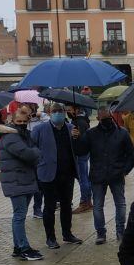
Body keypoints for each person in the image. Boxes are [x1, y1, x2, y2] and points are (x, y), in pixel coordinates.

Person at [76, 105, 134, 244]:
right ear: (97, 119)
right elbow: (81, 152)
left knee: (120, 204)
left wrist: (124, 171)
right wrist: (76, 139)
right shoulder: (91, 134)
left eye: (108, 118)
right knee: (97, 205)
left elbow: (131, 155)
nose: (106, 121)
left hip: (116, 175)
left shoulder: (122, 133)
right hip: (98, 176)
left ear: (112, 117)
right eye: (103, 119)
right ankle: (100, 233)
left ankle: (120, 232)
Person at [0, 106, 44, 260]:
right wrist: (37, 152)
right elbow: (28, 154)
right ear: (12, 120)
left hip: (24, 179)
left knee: (19, 215)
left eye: (23, 121)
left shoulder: (23, 135)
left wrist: (35, 151)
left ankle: (18, 246)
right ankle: (23, 247)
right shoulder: (11, 137)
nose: (21, 123)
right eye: (18, 121)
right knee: (19, 216)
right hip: (17, 181)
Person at [30, 102, 84, 249]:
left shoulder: (71, 128)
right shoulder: (40, 129)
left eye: (61, 111)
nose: (58, 113)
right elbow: (31, 147)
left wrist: (77, 138)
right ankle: (51, 238)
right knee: (49, 207)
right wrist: (40, 160)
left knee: (67, 205)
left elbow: (80, 150)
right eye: (55, 111)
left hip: (67, 174)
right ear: (49, 112)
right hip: (48, 175)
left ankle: (67, 234)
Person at [67, 104, 93, 214]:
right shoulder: (81, 120)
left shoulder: (79, 122)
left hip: (80, 154)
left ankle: (85, 202)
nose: (68, 111)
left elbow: (81, 140)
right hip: (83, 153)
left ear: (76, 110)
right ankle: (88, 200)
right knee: (84, 178)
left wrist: (74, 137)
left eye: (69, 109)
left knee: (83, 179)